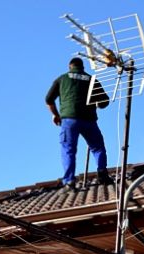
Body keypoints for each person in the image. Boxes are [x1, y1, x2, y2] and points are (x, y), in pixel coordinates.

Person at [45, 57, 112, 191]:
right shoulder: (91, 79)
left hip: (69, 120)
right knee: (97, 147)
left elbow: (48, 99)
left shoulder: (62, 79)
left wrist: (56, 115)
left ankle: (69, 181)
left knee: (68, 149)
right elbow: (104, 102)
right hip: (89, 120)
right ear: (82, 68)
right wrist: (97, 104)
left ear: (70, 66)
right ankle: (103, 175)